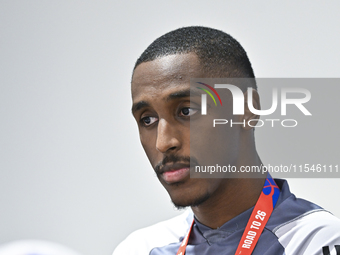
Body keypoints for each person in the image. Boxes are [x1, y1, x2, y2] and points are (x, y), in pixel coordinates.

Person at [113, 26, 340, 255]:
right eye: (148, 119)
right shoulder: (139, 248)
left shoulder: (316, 242)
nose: (163, 142)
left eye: (186, 111)